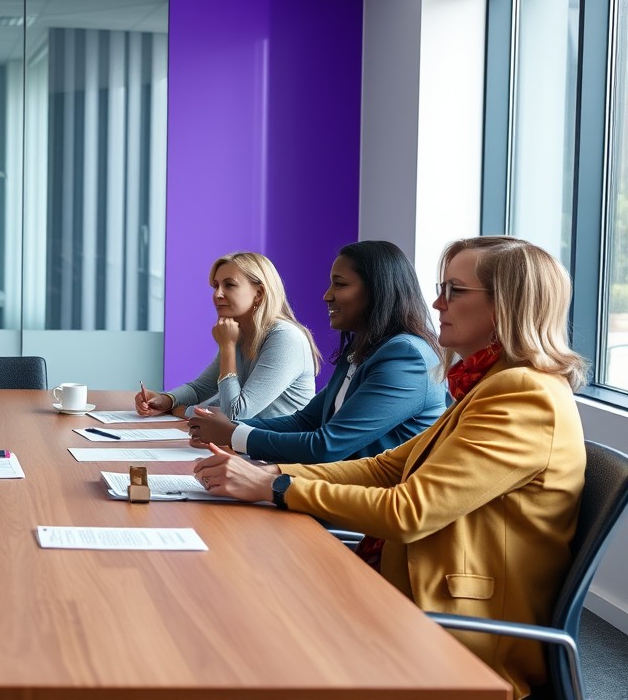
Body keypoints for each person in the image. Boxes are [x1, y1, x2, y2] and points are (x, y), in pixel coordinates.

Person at [192, 236, 586, 699]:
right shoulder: (489, 385)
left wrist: (276, 486)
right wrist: (268, 476)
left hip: (459, 629)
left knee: (249, 631)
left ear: (507, 305)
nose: (437, 302)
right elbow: (385, 469)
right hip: (411, 584)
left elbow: (408, 511)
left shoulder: (523, 396)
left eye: (455, 291)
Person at [186, 240, 447, 462]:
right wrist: (228, 429)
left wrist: (234, 434)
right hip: (329, 488)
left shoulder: (406, 358)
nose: (326, 296)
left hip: (368, 509)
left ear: (377, 291)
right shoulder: (362, 350)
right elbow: (304, 422)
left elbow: (326, 446)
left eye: (340, 285)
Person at [135, 251, 319, 420]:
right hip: (245, 445)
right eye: (215, 286)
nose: (217, 294)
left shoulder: (285, 338)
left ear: (259, 293)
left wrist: (187, 411)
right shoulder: (241, 332)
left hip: (279, 454)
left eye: (229, 285)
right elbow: (201, 387)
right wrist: (166, 400)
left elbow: (236, 413)